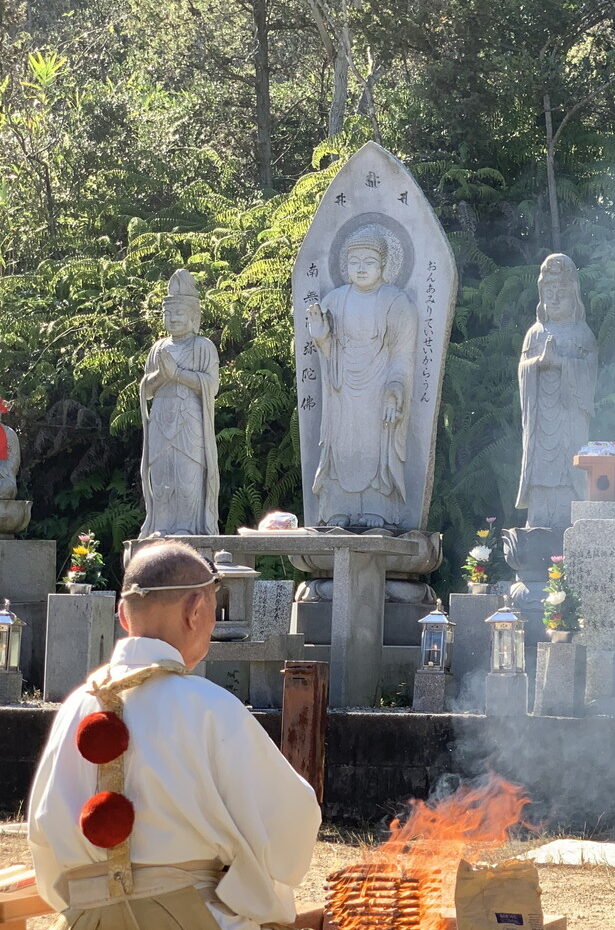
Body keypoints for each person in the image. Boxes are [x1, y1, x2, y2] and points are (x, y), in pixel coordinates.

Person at [27, 542, 323, 930]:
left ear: (122, 615)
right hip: (188, 917)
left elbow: (42, 845)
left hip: (86, 920)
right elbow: (291, 822)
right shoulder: (210, 707)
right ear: (196, 610)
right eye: (213, 611)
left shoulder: (73, 709)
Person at [306, 225, 417, 528]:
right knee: (340, 447)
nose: (361, 268)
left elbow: (402, 353)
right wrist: (320, 334)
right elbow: (328, 352)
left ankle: (378, 509)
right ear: (344, 267)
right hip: (342, 388)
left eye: (369, 262)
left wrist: (396, 387)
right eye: (354, 263)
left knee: (374, 446)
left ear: (383, 265)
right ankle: (338, 509)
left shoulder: (395, 301)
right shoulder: (334, 300)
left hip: (379, 383)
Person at [516, 253, 598, 529]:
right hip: (541, 417)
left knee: (568, 467)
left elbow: (589, 373)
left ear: (573, 293)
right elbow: (523, 371)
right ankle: (537, 520)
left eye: (561, 290)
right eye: (548, 290)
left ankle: (568, 520)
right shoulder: (535, 333)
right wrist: (538, 363)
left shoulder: (582, 333)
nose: (554, 296)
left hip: (569, 418)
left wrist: (561, 363)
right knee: (541, 469)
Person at [140, 270, 220, 537]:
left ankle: (188, 526)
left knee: (188, 477)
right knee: (162, 476)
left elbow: (212, 384)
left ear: (194, 317)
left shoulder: (203, 346)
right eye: (168, 313)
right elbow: (146, 390)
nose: (173, 318)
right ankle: (161, 526)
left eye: (179, 313)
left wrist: (179, 376)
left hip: (190, 420)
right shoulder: (158, 348)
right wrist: (162, 375)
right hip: (162, 417)